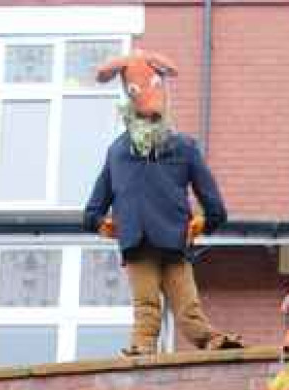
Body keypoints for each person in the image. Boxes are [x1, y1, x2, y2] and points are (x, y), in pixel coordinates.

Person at [83, 50, 242, 357]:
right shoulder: (119, 151)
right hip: (144, 242)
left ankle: (207, 341)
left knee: (181, 308)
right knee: (150, 307)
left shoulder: (180, 148)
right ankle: (146, 347)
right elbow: (92, 210)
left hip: (169, 241)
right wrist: (103, 224)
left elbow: (215, 207)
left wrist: (204, 222)